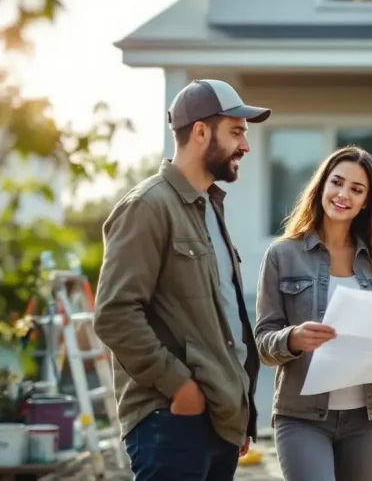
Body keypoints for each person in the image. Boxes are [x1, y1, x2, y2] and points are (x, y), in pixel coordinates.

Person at [93, 79, 271, 481]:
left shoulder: (209, 207)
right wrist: (180, 387)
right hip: (171, 422)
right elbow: (115, 315)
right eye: (236, 132)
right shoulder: (147, 206)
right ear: (201, 131)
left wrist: (237, 410)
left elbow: (222, 315)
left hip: (218, 422)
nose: (246, 145)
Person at [254, 146, 372, 481]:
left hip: (368, 420)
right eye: (337, 182)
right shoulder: (282, 254)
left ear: (366, 202)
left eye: (356, 189)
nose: (343, 194)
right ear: (322, 186)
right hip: (302, 417)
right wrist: (294, 338)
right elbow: (262, 342)